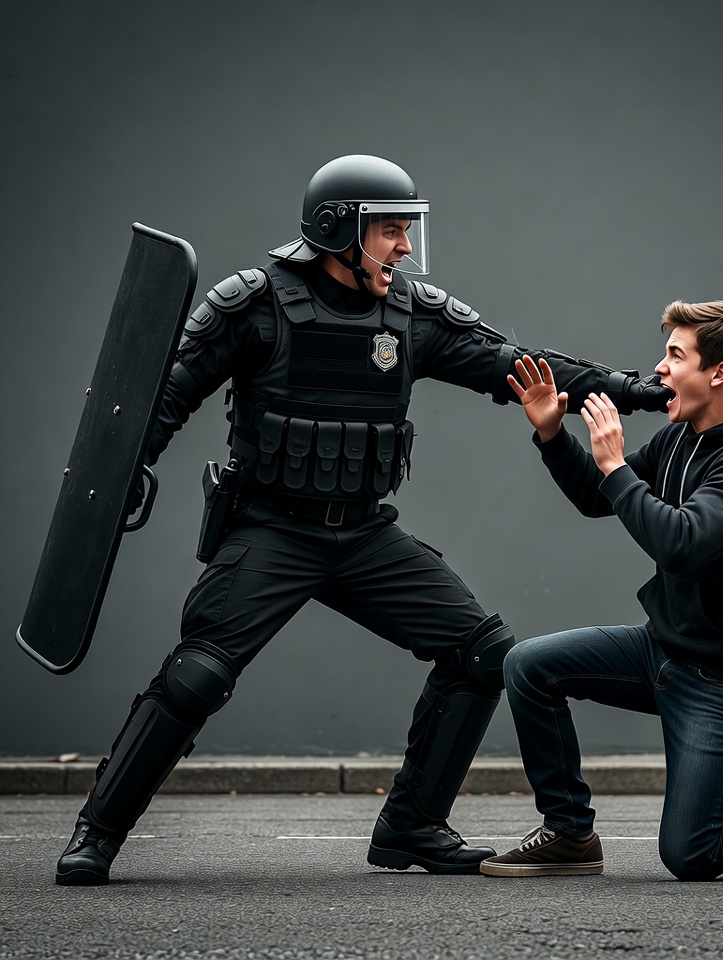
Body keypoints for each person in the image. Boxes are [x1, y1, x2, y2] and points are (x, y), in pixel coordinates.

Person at [54, 155, 672, 885]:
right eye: (391, 230)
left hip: (364, 536)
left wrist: (632, 391)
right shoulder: (253, 305)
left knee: (482, 653)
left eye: (408, 230)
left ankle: (411, 824)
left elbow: (522, 366)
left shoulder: (410, 316)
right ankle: (98, 831)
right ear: (337, 229)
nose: (406, 247)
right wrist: (128, 467)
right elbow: (167, 393)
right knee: (196, 676)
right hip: (272, 529)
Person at [480, 300, 723, 881]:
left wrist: (617, 467)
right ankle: (568, 833)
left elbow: (680, 543)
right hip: (661, 648)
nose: (659, 370)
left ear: (718, 373)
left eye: (675, 355)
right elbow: (599, 497)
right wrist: (551, 434)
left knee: (691, 853)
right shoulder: (680, 438)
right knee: (528, 666)